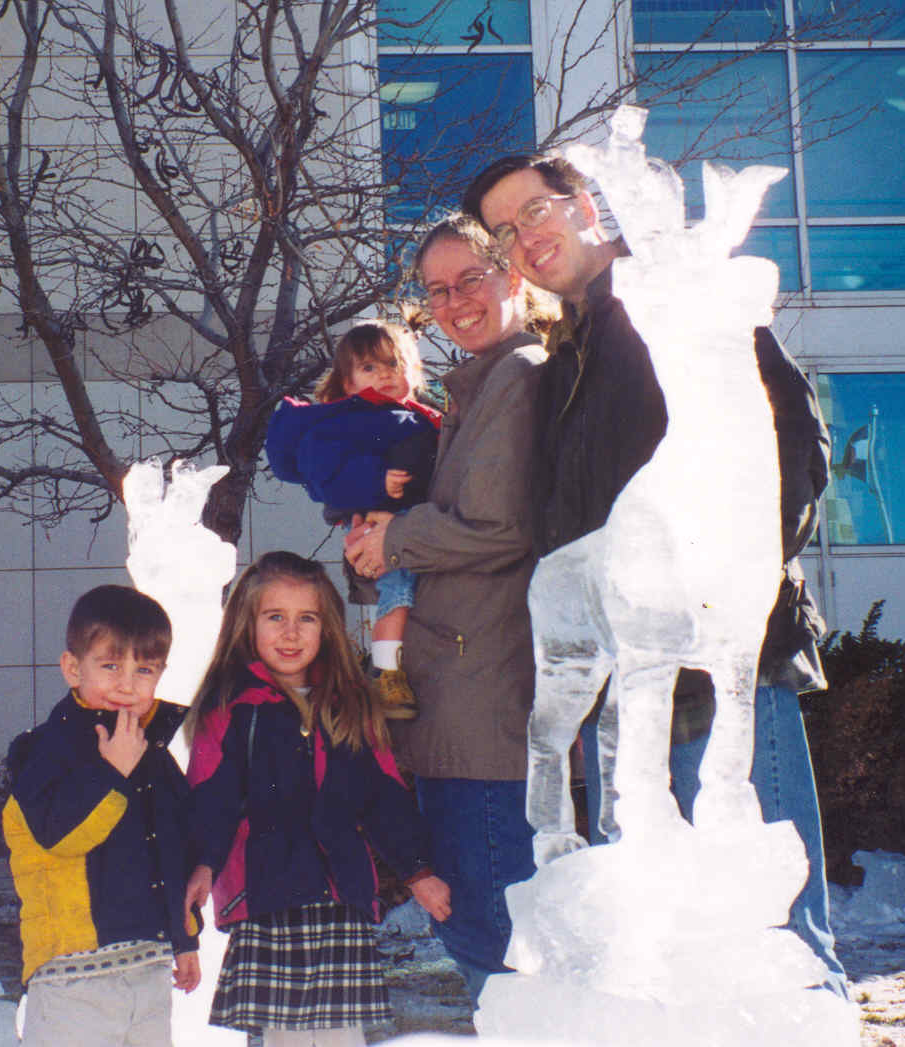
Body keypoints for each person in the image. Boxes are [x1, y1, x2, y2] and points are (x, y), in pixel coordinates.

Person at [462, 152, 849, 997]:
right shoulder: (562, 357)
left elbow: (791, 442)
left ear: (583, 202)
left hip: (722, 663)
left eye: (535, 211)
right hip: (626, 676)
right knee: (655, 948)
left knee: (766, 935)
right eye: (504, 232)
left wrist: (729, 581)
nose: (525, 238)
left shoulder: (673, 297)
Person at [343, 214, 557, 999]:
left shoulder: (519, 376)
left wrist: (395, 538)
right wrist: (377, 544)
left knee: (495, 942)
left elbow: (499, 526)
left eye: (471, 278)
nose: (455, 300)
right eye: (437, 290)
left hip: (483, 716)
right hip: (451, 706)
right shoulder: (473, 389)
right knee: (475, 930)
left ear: (514, 277)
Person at [181, 550, 451, 1047]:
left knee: (341, 1034)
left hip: (340, 895)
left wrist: (417, 870)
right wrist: (202, 865)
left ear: (326, 627)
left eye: (307, 618)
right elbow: (210, 798)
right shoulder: (230, 708)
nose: (291, 633)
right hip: (267, 895)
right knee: (286, 1035)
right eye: (275, 617)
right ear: (246, 624)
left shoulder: (351, 704)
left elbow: (382, 796)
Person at [2, 584, 201, 1047]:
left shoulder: (151, 752)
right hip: (71, 976)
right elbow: (58, 835)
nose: (127, 684)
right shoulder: (41, 749)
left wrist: (185, 937)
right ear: (73, 668)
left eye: (144, 669)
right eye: (110, 666)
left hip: (148, 968)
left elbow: (173, 848)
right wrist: (113, 772)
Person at [265, 321, 441, 720]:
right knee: (398, 588)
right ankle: (386, 670)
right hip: (387, 523)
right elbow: (324, 471)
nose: (385, 374)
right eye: (369, 367)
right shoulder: (352, 419)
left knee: (407, 593)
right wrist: (376, 479)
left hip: (414, 521)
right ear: (347, 383)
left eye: (394, 364)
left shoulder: (418, 414)